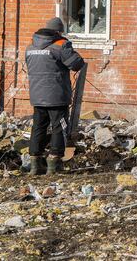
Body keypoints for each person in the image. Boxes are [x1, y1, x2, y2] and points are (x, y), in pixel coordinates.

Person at [25, 17, 85, 175]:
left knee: (38, 127)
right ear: (58, 32)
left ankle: (35, 164)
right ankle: (54, 163)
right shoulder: (60, 45)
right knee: (60, 127)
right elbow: (77, 64)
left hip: (37, 96)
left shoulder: (30, 47)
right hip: (57, 96)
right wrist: (67, 45)